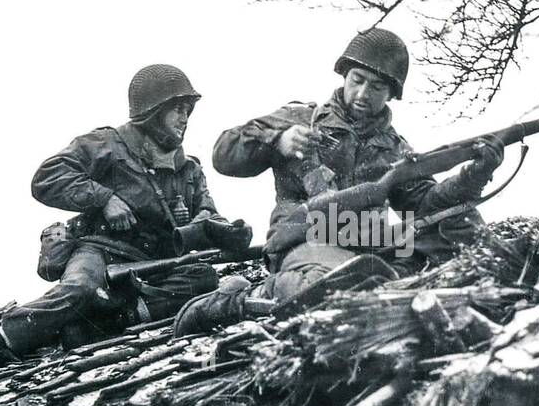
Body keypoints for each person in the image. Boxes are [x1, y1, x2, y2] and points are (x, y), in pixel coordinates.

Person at [172, 28, 502, 336]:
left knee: (460, 237)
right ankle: (238, 299)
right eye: (357, 80)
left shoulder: (395, 148)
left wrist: (474, 175)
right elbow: (223, 155)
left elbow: (425, 204)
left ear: (391, 94)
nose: (363, 93)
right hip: (305, 240)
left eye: (377, 87)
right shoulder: (302, 119)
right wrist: (277, 140)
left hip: (370, 248)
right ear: (344, 75)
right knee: (332, 283)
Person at [0, 64, 250, 379]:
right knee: (79, 288)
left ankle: (106, 323)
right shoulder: (107, 144)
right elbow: (47, 177)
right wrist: (104, 198)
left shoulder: (189, 169)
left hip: (157, 262)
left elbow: (209, 212)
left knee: (202, 278)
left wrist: (214, 225)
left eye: (188, 110)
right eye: (176, 109)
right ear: (152, 111)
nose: (184, 119)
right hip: (102, 250)